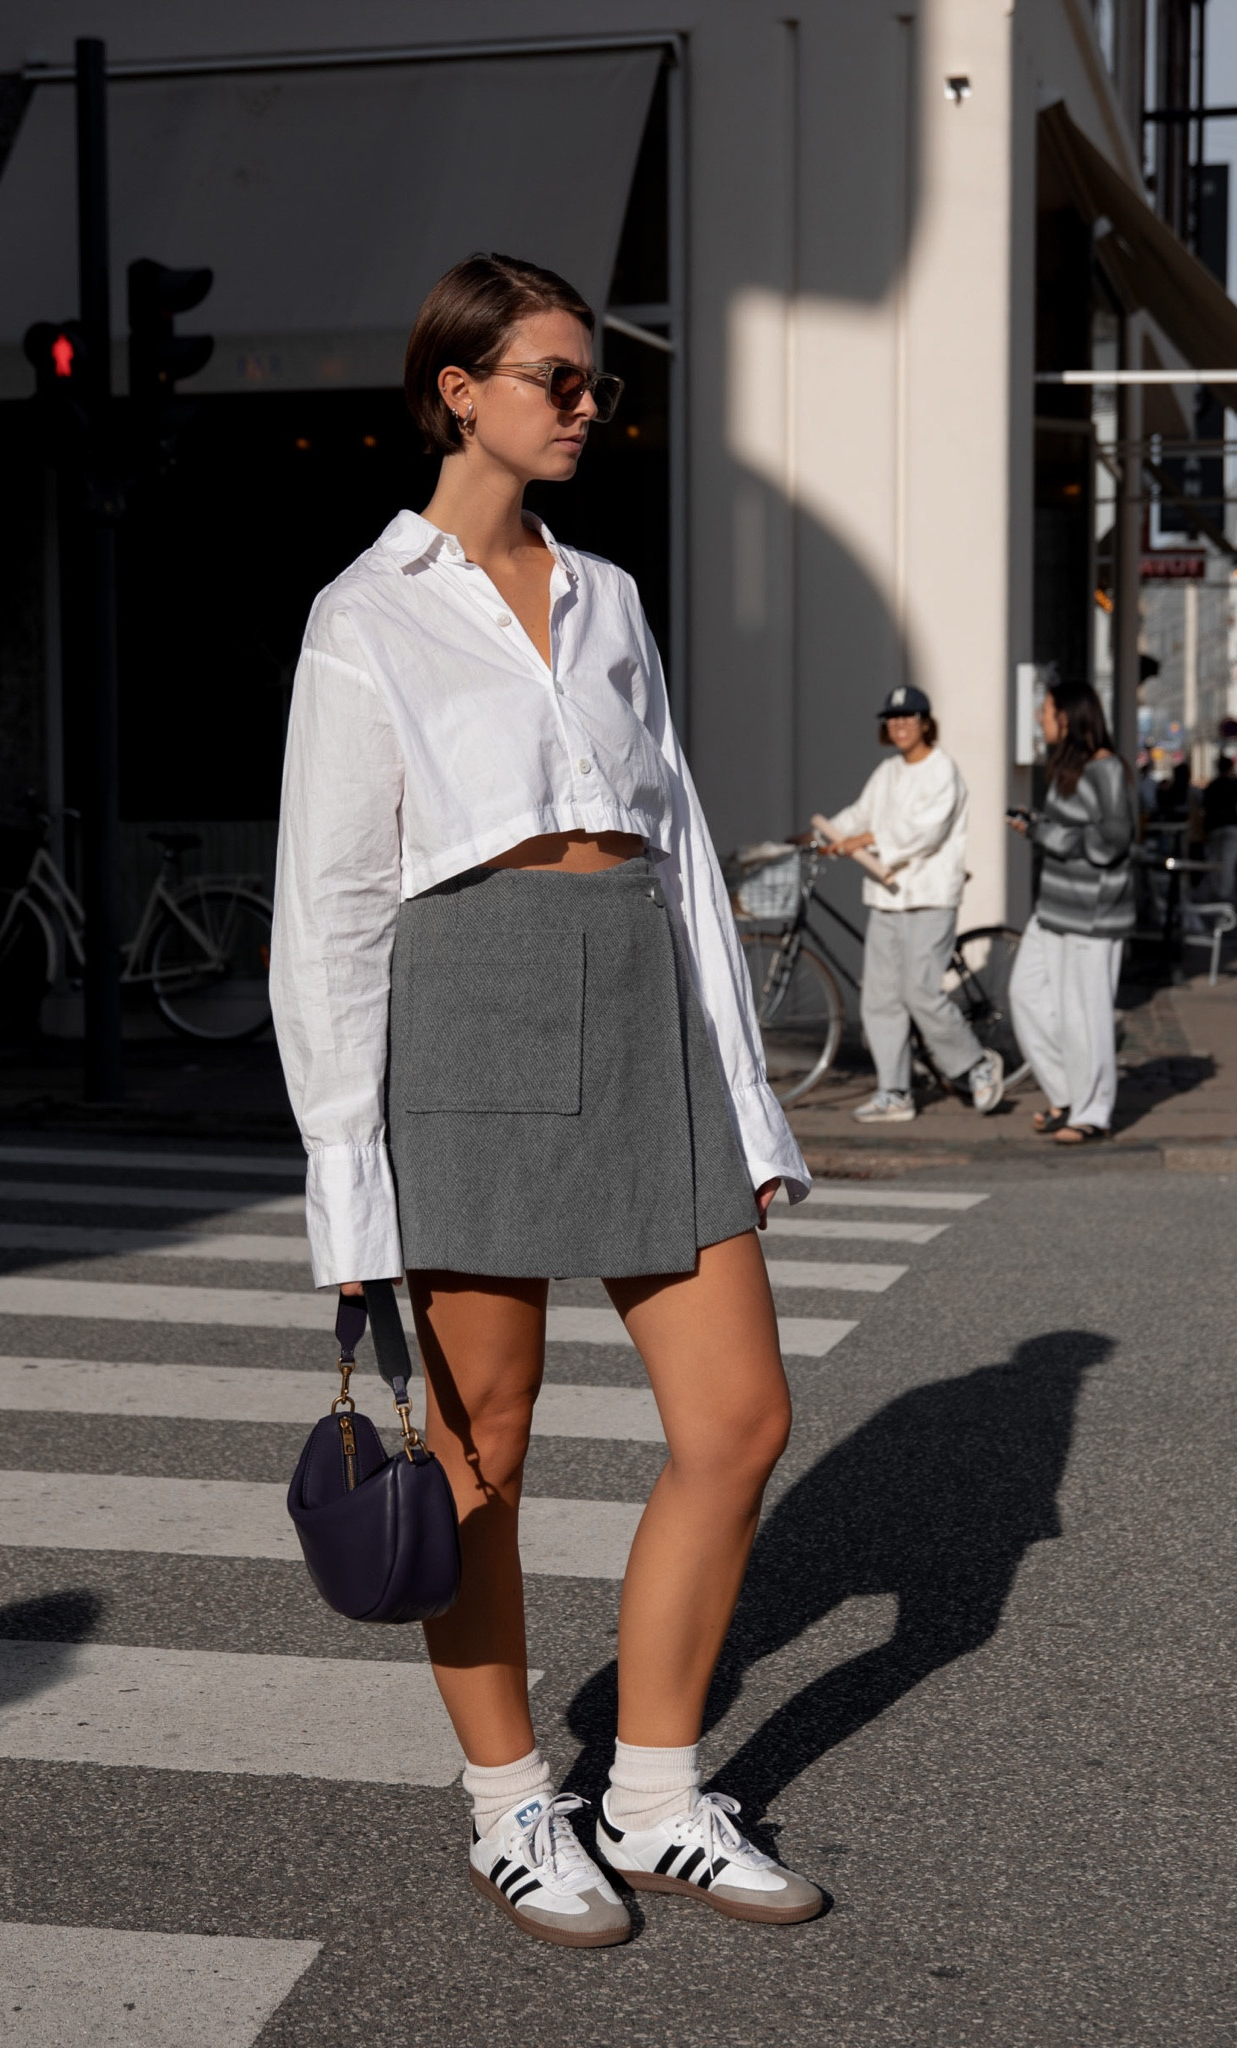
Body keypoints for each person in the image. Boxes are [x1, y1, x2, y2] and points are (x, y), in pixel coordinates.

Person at [269, 253, 823, 1950]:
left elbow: (676, 859)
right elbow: (330, 916)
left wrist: (745, 1099)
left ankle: (651, 1791)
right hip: (470, 1005)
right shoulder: (365, 613)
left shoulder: (610, 598)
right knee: (481, 1450)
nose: (585, 406)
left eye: (594, 383)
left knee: (736, 1420)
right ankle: (513, 1797)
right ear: (459, 389)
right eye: (554, 379)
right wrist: (346, 1198)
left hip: (637, 989)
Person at [814, 685, 1005, 1123]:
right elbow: (857, 815)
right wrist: (823, 835)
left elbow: (925, 832)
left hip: (930, 897)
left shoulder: (943, 771)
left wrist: (867, 840)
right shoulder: (887, 773)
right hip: (886, 899)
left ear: (925, 722)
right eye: (893, 718)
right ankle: (894, 1091)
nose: (899, 725)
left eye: (908, 717)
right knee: (880, 998)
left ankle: (976, 1064)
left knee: (920, 992)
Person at [1006, 678, 1138, 1144]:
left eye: (1045, 711)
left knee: (1088, 1014)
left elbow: (1115, 838)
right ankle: (1066, 1092)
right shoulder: (1069, 768)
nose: (1040, 719)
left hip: (1093, 913)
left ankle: (1093, 1111)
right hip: (1056, 907)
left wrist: (1047, 836)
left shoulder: (1104, 768)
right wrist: (1038, 825)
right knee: (1026, 994)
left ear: (1068, 717)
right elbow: (1073, 829)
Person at [1199, 753, 1237, 902]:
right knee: (1229, 861)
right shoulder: (1235, 784)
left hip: (1215, 826)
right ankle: (1224, 893)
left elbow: (1205, 806)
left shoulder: (1212, 785)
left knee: (1214, 860)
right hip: (1232, 824)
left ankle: (1214, 890)